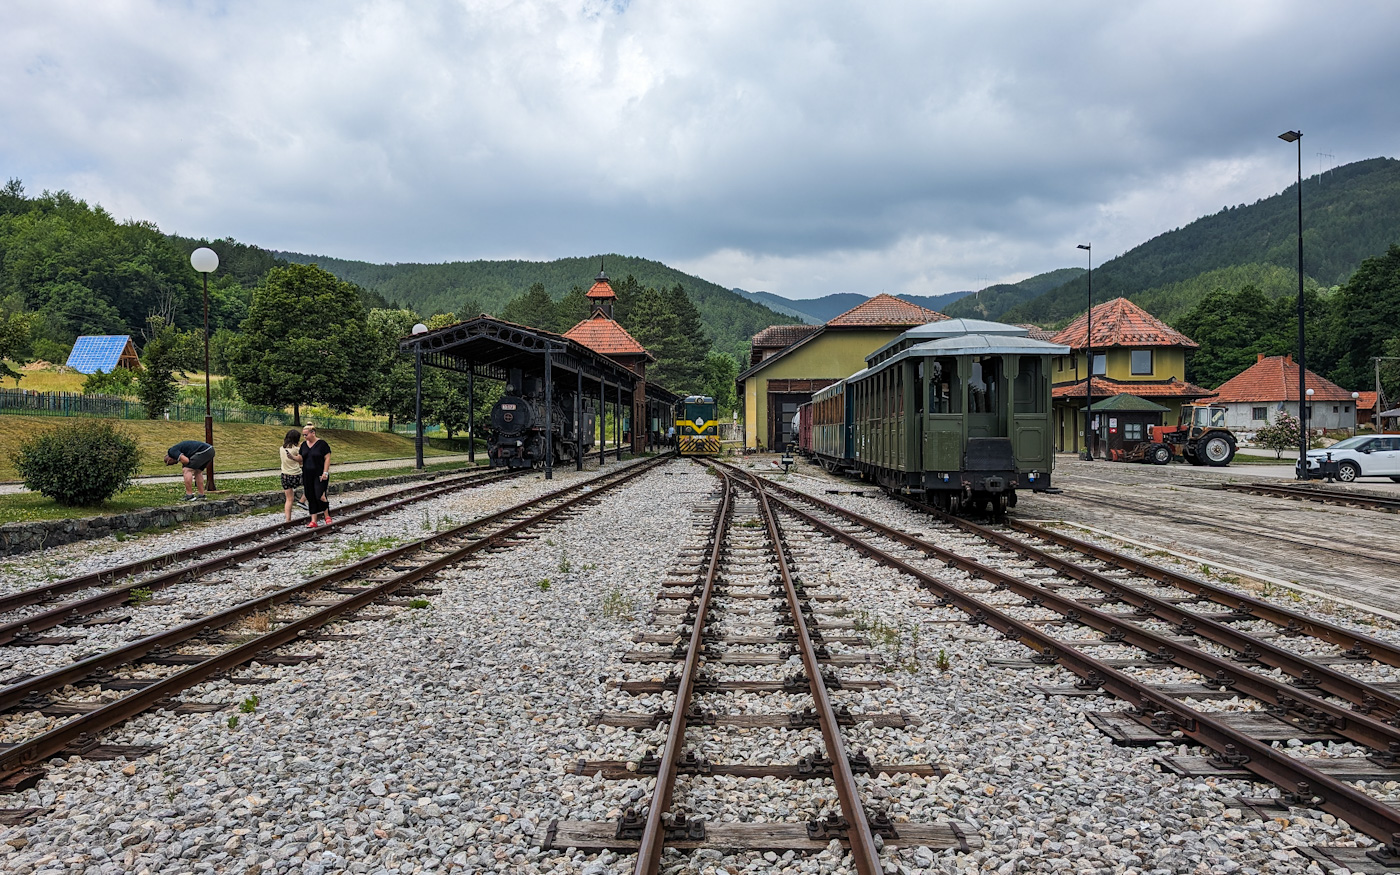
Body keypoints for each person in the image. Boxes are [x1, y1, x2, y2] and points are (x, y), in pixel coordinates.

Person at [298, 424, 333, 528]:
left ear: (313, 433)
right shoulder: (304, 445)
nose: (305, 437)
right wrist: (291, 457)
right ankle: (313, 520)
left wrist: (325, 472)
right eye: (303, 435)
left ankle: (327, 515)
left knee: (320, 495)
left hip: (319, 474)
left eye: (306, 434)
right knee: (310, 496)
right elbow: (301, 458)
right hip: (307, 474)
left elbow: (327, 458)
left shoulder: (322, 444)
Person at [279, 429, 304, 522]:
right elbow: (300, 461)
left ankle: (288, 520)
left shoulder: (281, 448)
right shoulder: (296, 449)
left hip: (285, 475)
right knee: (311, 486)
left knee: (289, 499)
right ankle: (302, 501)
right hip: (296, 474)